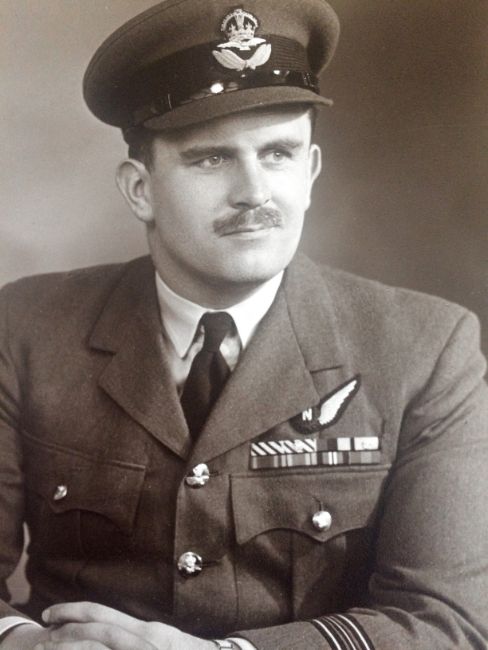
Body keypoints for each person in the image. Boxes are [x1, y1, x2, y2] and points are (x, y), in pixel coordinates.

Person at [0, 1, 487, 648]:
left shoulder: (426, 348)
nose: (254, 192)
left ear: (310, 173)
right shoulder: (26, 330)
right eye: (211, 159)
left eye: (279, 153)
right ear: (140, 189)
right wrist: (25, 640)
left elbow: (445, 621)